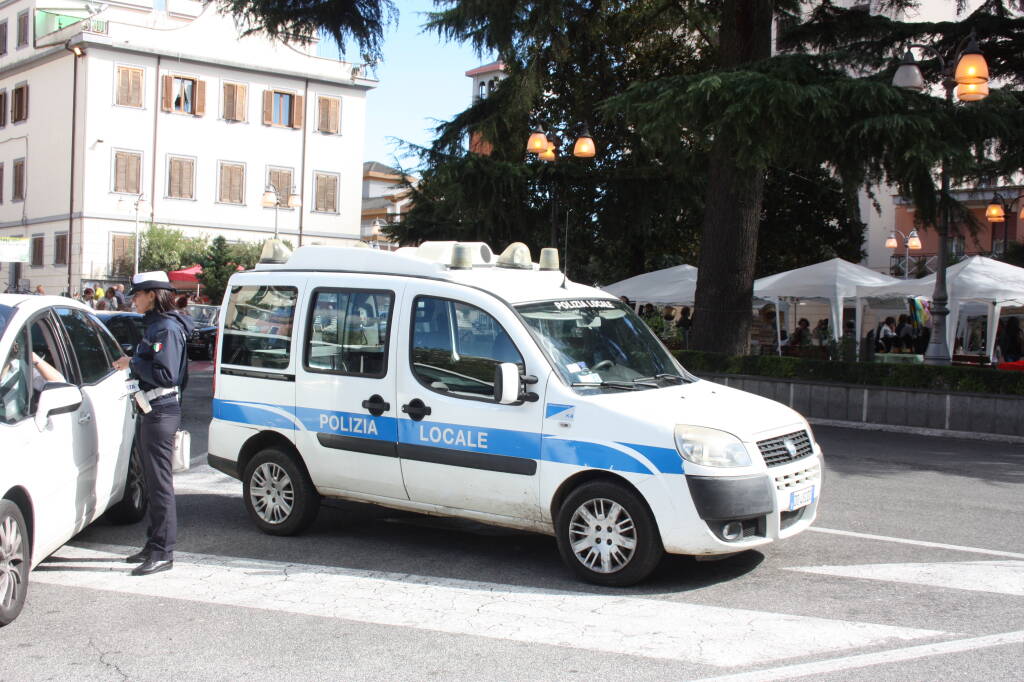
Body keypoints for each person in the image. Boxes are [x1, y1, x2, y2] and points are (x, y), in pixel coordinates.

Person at [112, 271, 194, 577]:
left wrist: (132, 363)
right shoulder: (157, 326)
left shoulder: (166, 329)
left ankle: (163, 552)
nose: (133, 299)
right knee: (152, 481)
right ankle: (154, 543)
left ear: (152, 295)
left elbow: (166, 375)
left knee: (160, 485)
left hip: (160, 409)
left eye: (137, 294)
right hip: (153, 408)